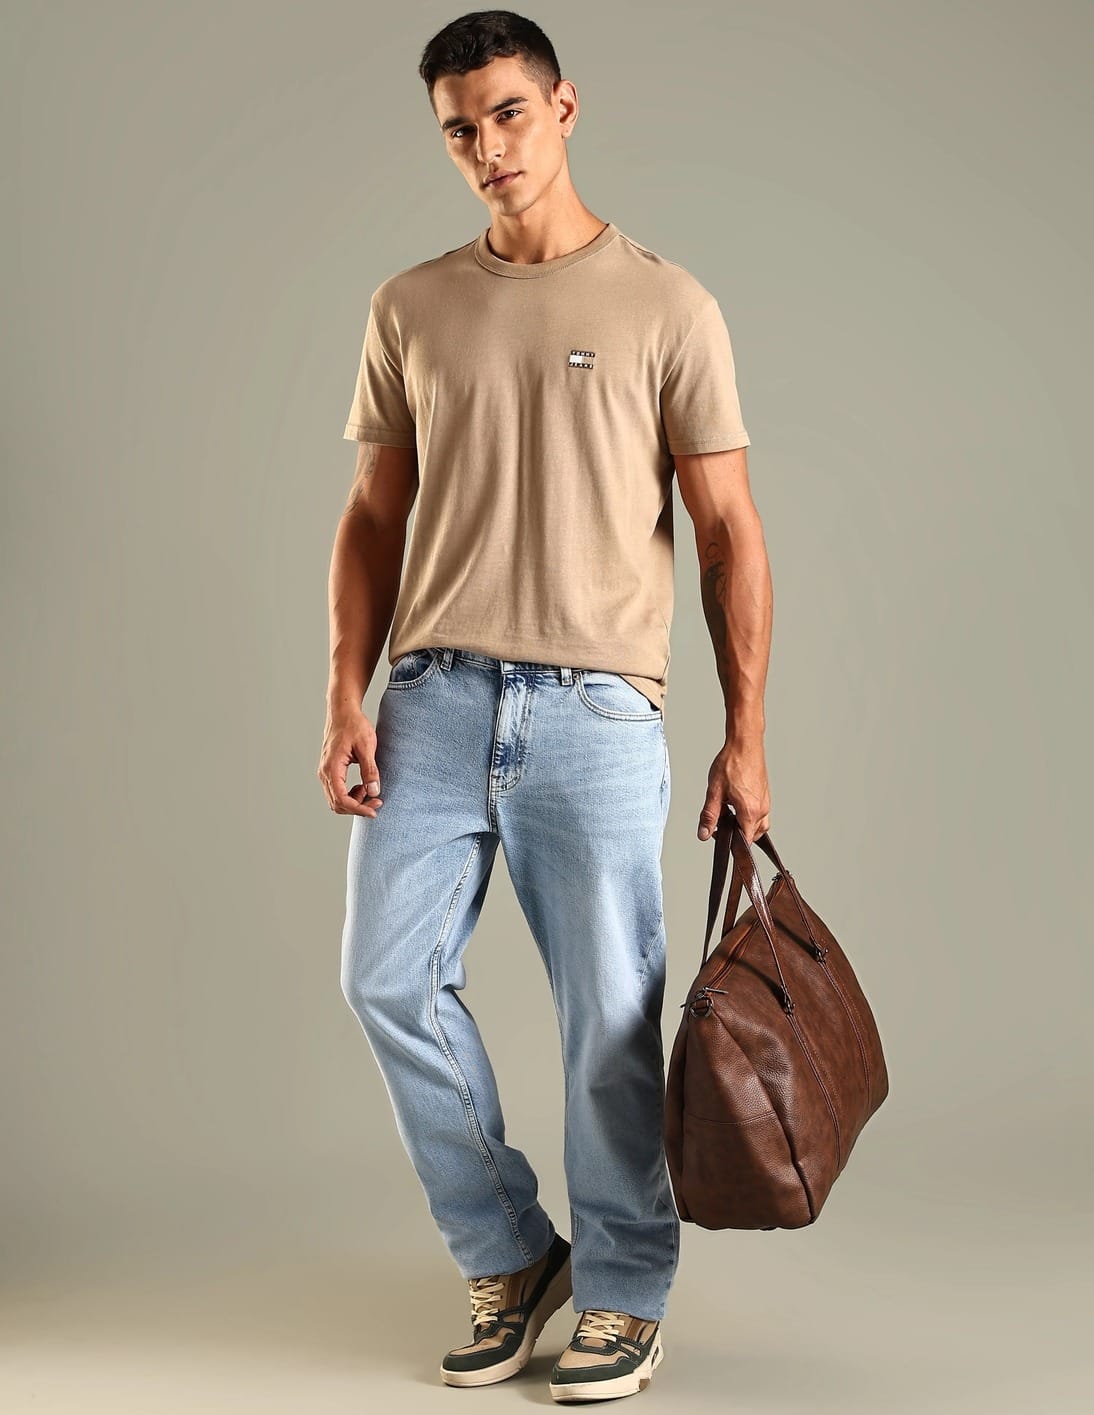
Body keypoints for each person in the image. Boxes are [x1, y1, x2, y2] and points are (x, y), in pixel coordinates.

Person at [317, 9, 773, 1403]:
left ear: (563, 108)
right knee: (386, 981)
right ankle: (512, 1253)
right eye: (459, 129)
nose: (486, 147)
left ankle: (623, 1289)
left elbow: (729, 533)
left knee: (606, 1022)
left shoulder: (667, 306)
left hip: (594, 710)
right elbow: (372, 517)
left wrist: (746, 735)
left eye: (507, 114)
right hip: (431, 697)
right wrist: (344, 692)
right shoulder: (410, 305)